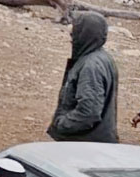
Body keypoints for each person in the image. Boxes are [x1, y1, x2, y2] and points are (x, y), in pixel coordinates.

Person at [46, 11, 118, 143]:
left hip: (84, 143)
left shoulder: (90, 66)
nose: (71, 37)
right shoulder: (101, 57)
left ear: (84, 34)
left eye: (75, 32)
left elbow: (89, 112)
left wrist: (62, 124)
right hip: (93, 140)